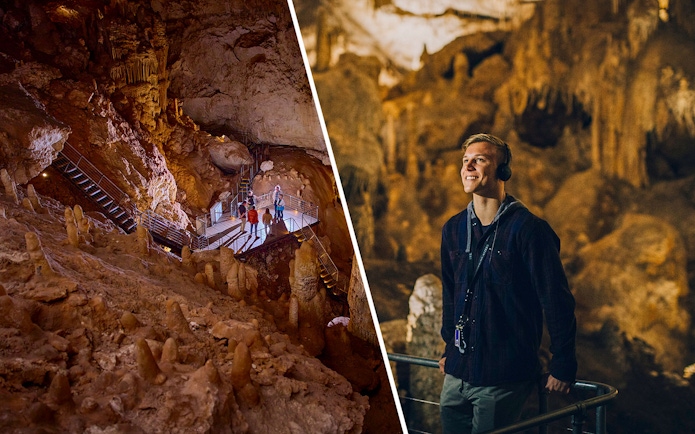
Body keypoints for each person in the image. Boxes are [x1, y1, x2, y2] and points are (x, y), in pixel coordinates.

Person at [439, 133, 577, 434]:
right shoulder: (452, 230)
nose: (468, 167)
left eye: (480, 160)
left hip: (502, 376)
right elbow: (450, 293)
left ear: (503, 172)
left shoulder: (530, 232)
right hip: (457, 373)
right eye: (465, 161)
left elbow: (556, 300)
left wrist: (562, 364)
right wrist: (449, 346)